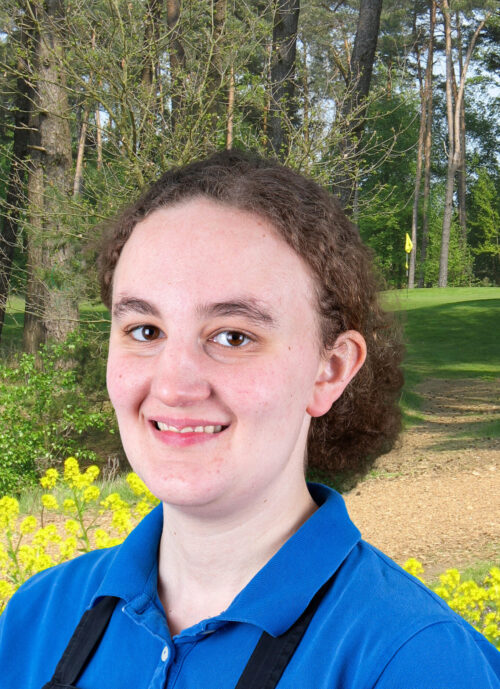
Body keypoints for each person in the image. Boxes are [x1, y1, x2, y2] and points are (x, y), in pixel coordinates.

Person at [0, 150, 498, 688]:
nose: (172, 386)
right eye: (145, 330)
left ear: (330, 370)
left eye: (233, 336)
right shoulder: (38, 619)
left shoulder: (419, 663)